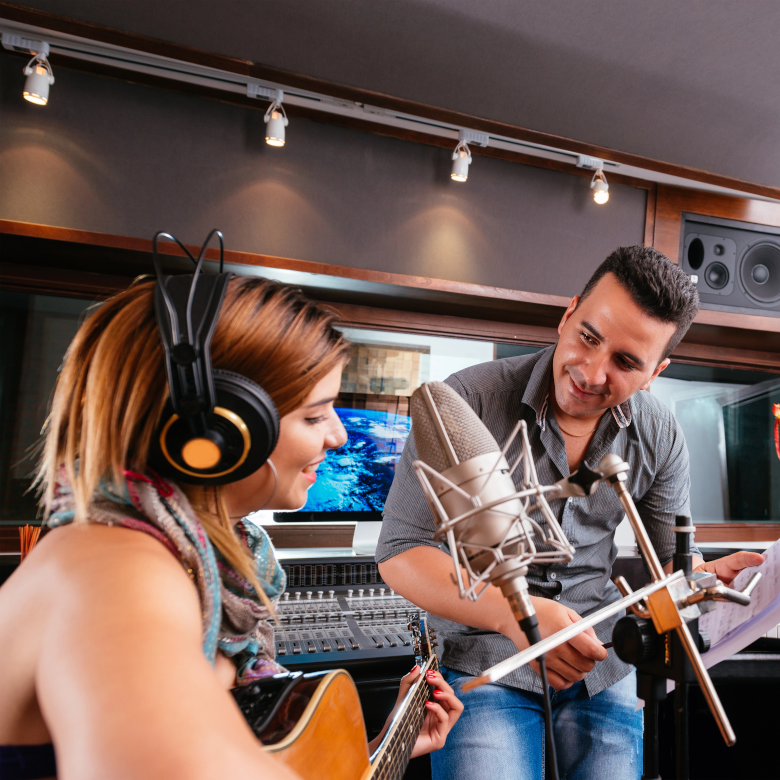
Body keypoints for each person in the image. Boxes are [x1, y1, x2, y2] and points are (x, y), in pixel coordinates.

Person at [0, 275, 462, 780]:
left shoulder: (206, 564)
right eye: (314, 416)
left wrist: (376, 752)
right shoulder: (114, 570)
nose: (339, 435)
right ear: (222, 431)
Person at [376, 246, 765, 780]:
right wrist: (513, 616)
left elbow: (671, 567)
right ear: (568, 315)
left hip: (599, 663)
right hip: (484, 658)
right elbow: (401, 552)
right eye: (588, 336)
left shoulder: (658, 433)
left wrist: (699, 580)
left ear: (655, 372)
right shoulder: (468, 399)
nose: (591, 371)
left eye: (626, 362)